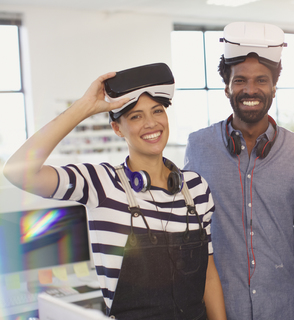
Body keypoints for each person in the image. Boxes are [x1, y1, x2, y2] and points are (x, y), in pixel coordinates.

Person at [3, 63, 226, 320]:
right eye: (136, 116)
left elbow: (208, 274)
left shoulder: (196, 188)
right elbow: (18, 172)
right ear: (117, 128)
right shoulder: (101, 184)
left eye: (157, 111)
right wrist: (83, 107)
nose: (151, 123)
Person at [183, 22, 294, 320]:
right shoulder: (198, 145)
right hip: (219, 311)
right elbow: (190, 235)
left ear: (274, 87)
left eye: (261, 80)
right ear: (227, 87)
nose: (250, 90)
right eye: (240, 81)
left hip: (285, 309)